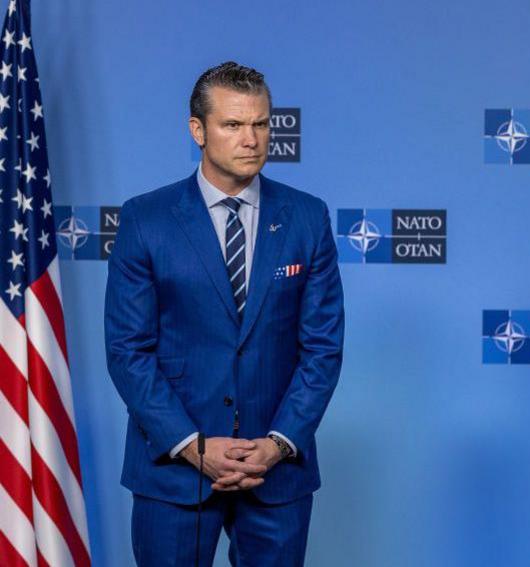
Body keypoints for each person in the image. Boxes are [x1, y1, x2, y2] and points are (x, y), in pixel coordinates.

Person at [105, 61, 344, 566]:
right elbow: (128, 351)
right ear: (198, 130)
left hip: (275, 475)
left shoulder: (307, 217)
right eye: (232, 125)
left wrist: (277, 445)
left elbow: (322, 348)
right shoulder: (145, 220)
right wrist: (193, 446)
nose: (251, 138)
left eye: (260, 123)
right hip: (174, 474)